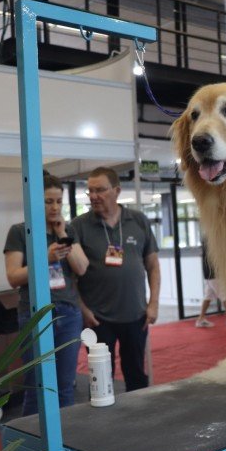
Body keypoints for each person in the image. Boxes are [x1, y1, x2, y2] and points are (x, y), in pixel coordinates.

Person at [4, 173, 89, 415]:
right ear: (34, 201)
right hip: (36, 314)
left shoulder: (67, 229)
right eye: (48, 201)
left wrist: (63, 235)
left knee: (65, 386)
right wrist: (45, 258)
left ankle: (65, 443)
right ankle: (35, 446)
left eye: (58, 201)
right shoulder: (20, 232)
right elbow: (13, 276)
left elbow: (81, 268)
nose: (54, 207)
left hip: (69, 313)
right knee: (38, 386)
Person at [71, 167, 160, 392]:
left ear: (117, 191)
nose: (93, 196)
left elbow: (152, 265)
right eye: (90, 190)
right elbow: (70, 275)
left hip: (136, 315)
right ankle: (103, 424)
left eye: (99, 190)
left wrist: (154, 303)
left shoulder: (138, 221)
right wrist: (83, 310)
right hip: (97, 318)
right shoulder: (78, 226)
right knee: (100, 380)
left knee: (136, 377)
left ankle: (140, 421)